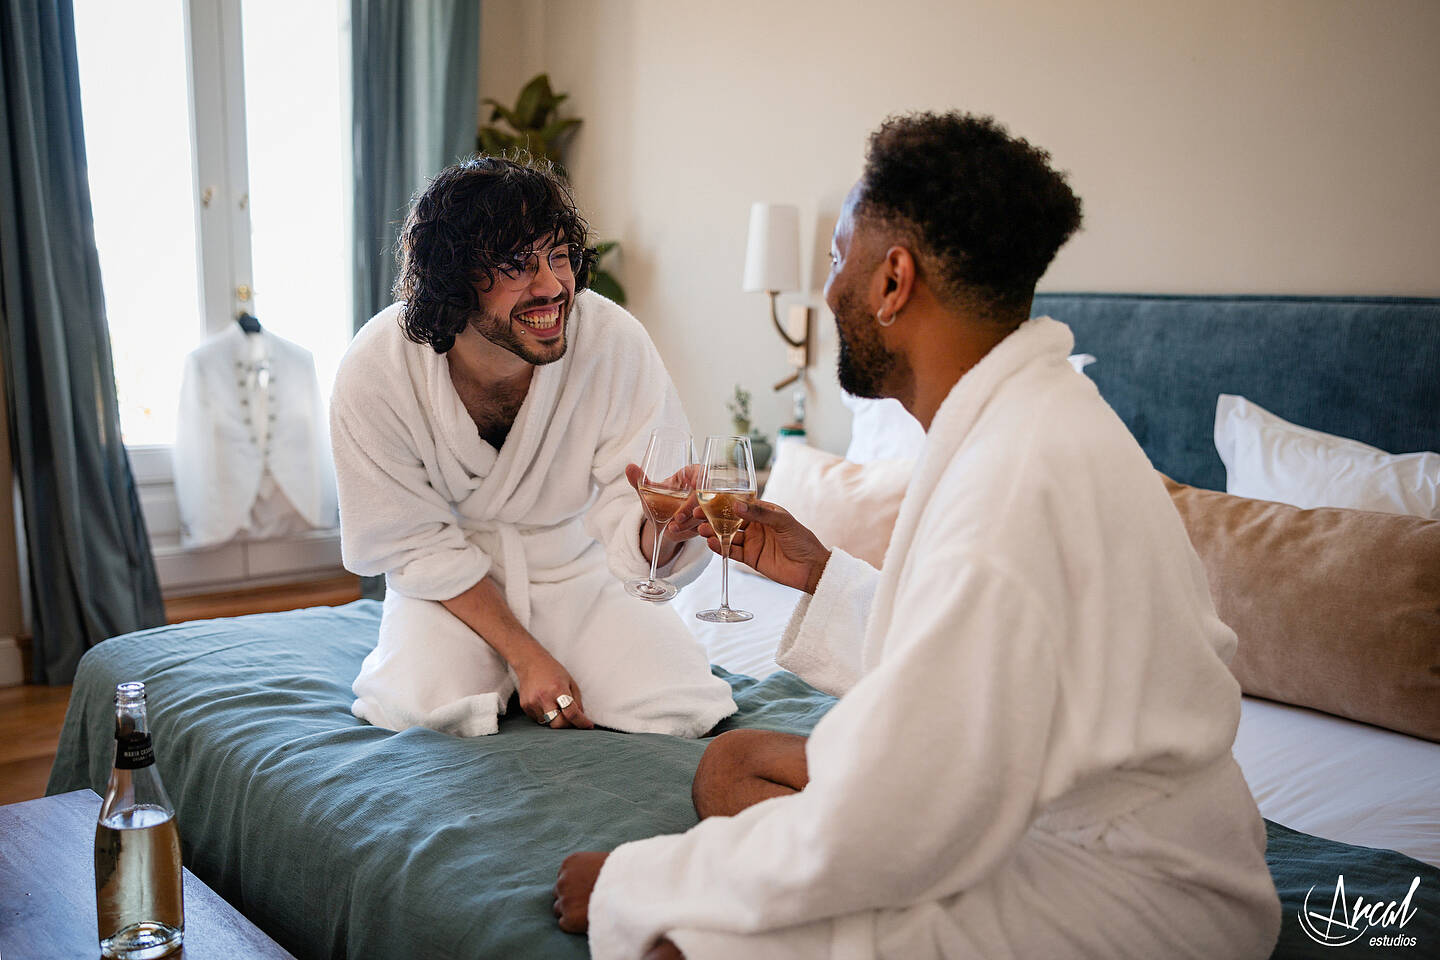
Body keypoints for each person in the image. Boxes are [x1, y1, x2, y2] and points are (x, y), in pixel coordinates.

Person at [553, 113, 1281, 959]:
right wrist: (823, 574)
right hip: (1037, 781)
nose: (826, 292)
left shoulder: (1015, 478)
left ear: (893, 280)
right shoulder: (1021, 418)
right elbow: (984, 662)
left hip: (1125, 888)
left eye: (836, 258)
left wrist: (640, 883)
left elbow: (893, 818)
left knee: (679, 944)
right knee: (733, 764)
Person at [331, 155, 736, 739]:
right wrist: (527, 657)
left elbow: (632, 512)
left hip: (579, 571)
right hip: (449, 588)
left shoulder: (612, 342)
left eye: (559, 257)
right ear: (453, 279)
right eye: (518, 265)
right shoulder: (377, 369)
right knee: (422, 713)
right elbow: (409, 540)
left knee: (679, 707)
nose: (552, 287)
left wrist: (665, 531)